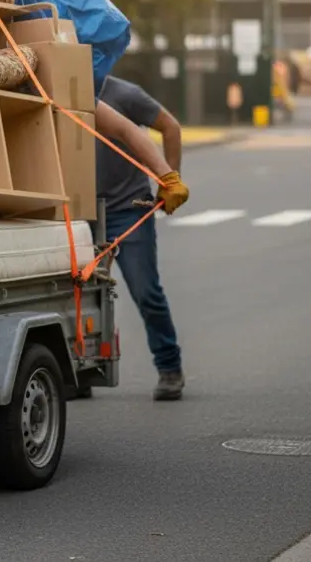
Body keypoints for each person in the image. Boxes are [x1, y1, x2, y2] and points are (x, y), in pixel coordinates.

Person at [92, 75, 189, 401]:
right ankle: (81, 373)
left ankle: (169, 367)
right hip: (83, 215)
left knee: (146, 292)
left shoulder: (124, 93)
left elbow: (170, 127)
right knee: (82, 300)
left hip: (128, 210)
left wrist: (168, 182)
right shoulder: (61, 87)